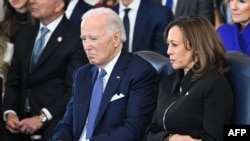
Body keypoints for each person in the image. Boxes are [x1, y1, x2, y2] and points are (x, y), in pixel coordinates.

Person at [50, 7, 159, 141]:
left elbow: (133, 130)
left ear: (116, 38)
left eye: (94, 38)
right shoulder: (82, 74)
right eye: (84, 39)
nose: (86, 46)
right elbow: (66, 124)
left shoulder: (140, 73)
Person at [2, 0, 88, 140]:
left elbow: (75, 89)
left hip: (53, 118)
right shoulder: (24, 35)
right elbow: (13, 81)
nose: (32, 1)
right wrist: (10, 113)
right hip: (19, 119)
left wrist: (42, 118)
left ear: (58, 5)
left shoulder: (75, 38)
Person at [144, 16, 233, 141]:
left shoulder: (215, 84)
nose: (168, 51)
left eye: (174, 45)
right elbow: (149, 134)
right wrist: (171, 139)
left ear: (196, 48)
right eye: (168, 44)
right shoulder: (167, 82)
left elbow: (214, 138)